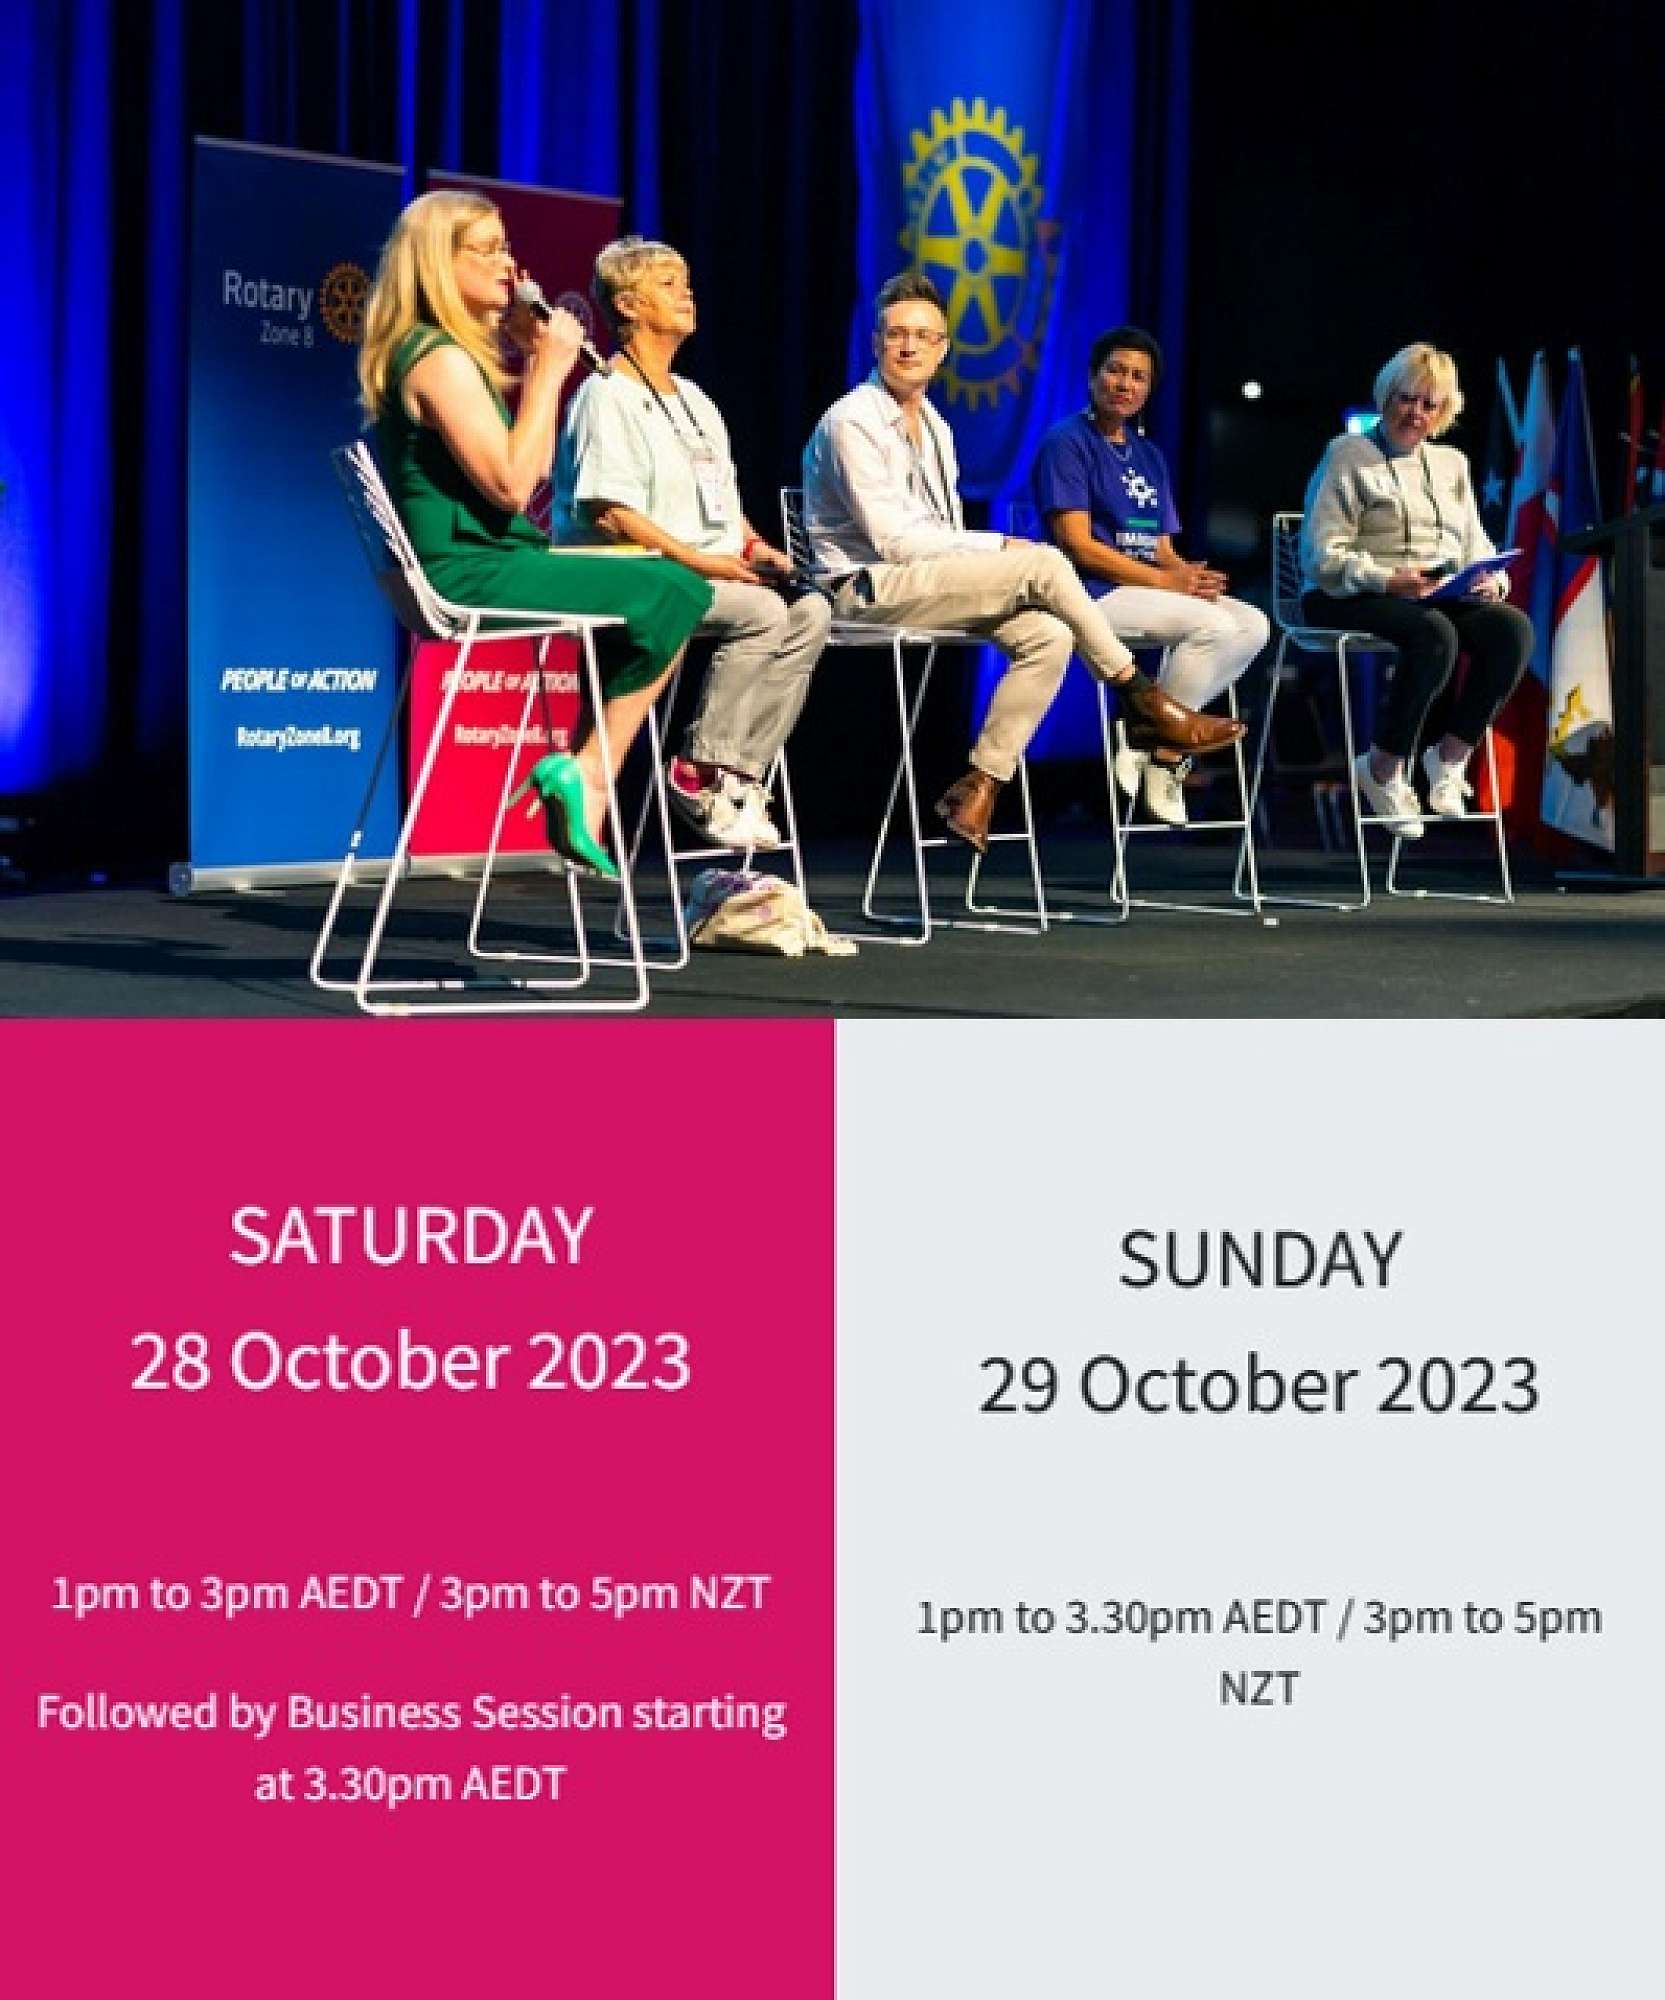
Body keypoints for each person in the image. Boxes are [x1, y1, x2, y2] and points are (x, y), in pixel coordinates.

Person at [802, 273, 1244, 854]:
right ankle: (1144, 700)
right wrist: (997, 548)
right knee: (1044, 562)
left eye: (923, 336)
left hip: (922, 582)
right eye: (896, 334)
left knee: (1050, 636)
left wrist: (992, 549)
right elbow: (895, 541)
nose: (908, 347)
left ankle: (980, 785)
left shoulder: (935, 426)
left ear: (943, 349)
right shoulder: (851, 421)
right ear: (876, 341)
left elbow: (940, 534)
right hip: (864, 588)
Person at [357, 191, 712, 877]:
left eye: (506, 247)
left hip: (485, 557)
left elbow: (526, 468)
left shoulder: (445, 353)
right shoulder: (438, 359)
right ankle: (590, 775)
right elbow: (516, 485)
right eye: (487, 250)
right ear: (437, 263)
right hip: (467, 572)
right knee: (676, 587)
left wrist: (530, 362)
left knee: (648, 581)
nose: (508, 265)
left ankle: (580, 774)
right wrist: (549, 368)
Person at [553, 237, 831, 851]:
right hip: (633, 572)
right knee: (761, 612)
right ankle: (700, 767)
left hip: (702, 571)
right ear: (627, 304)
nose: (687, 292)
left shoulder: (696, 400)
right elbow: (609, 513)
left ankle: (737, 777)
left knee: (812, 612)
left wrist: (755, 548)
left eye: (685, 281)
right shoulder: (607, 394)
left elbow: (723, 505)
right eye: (667, 283)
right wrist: (703, 562)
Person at [1032, 326, 1268, 826]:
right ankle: (1165, 754)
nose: (1125, 384)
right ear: (1093, 376)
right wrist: (1167, 584)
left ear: (1149, 389)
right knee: (1212, 626)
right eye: (1115, 371)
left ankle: (1153, 743)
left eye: (1138, 377)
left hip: (1144, 588)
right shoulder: (1066, 443)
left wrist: (1188, 577)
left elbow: (1161, 549)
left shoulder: (1149, 454)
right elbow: (1077, 545)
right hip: (1088, 593)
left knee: (1252, 625)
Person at [1300, 342, 1533, 838]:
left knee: (1512, 630)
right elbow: (1320, 556)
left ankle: (1449, 757)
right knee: (1434, 634)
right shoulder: (1348, 454)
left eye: (1430, 404)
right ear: (1387, 397)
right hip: (1348, 592)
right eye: (1408, 399)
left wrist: (1492, 580)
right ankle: (1382, 767)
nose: (1417, 413)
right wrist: (1388, 580)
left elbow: (1475, 543)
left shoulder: (1452, 463)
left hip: (1433, 593)